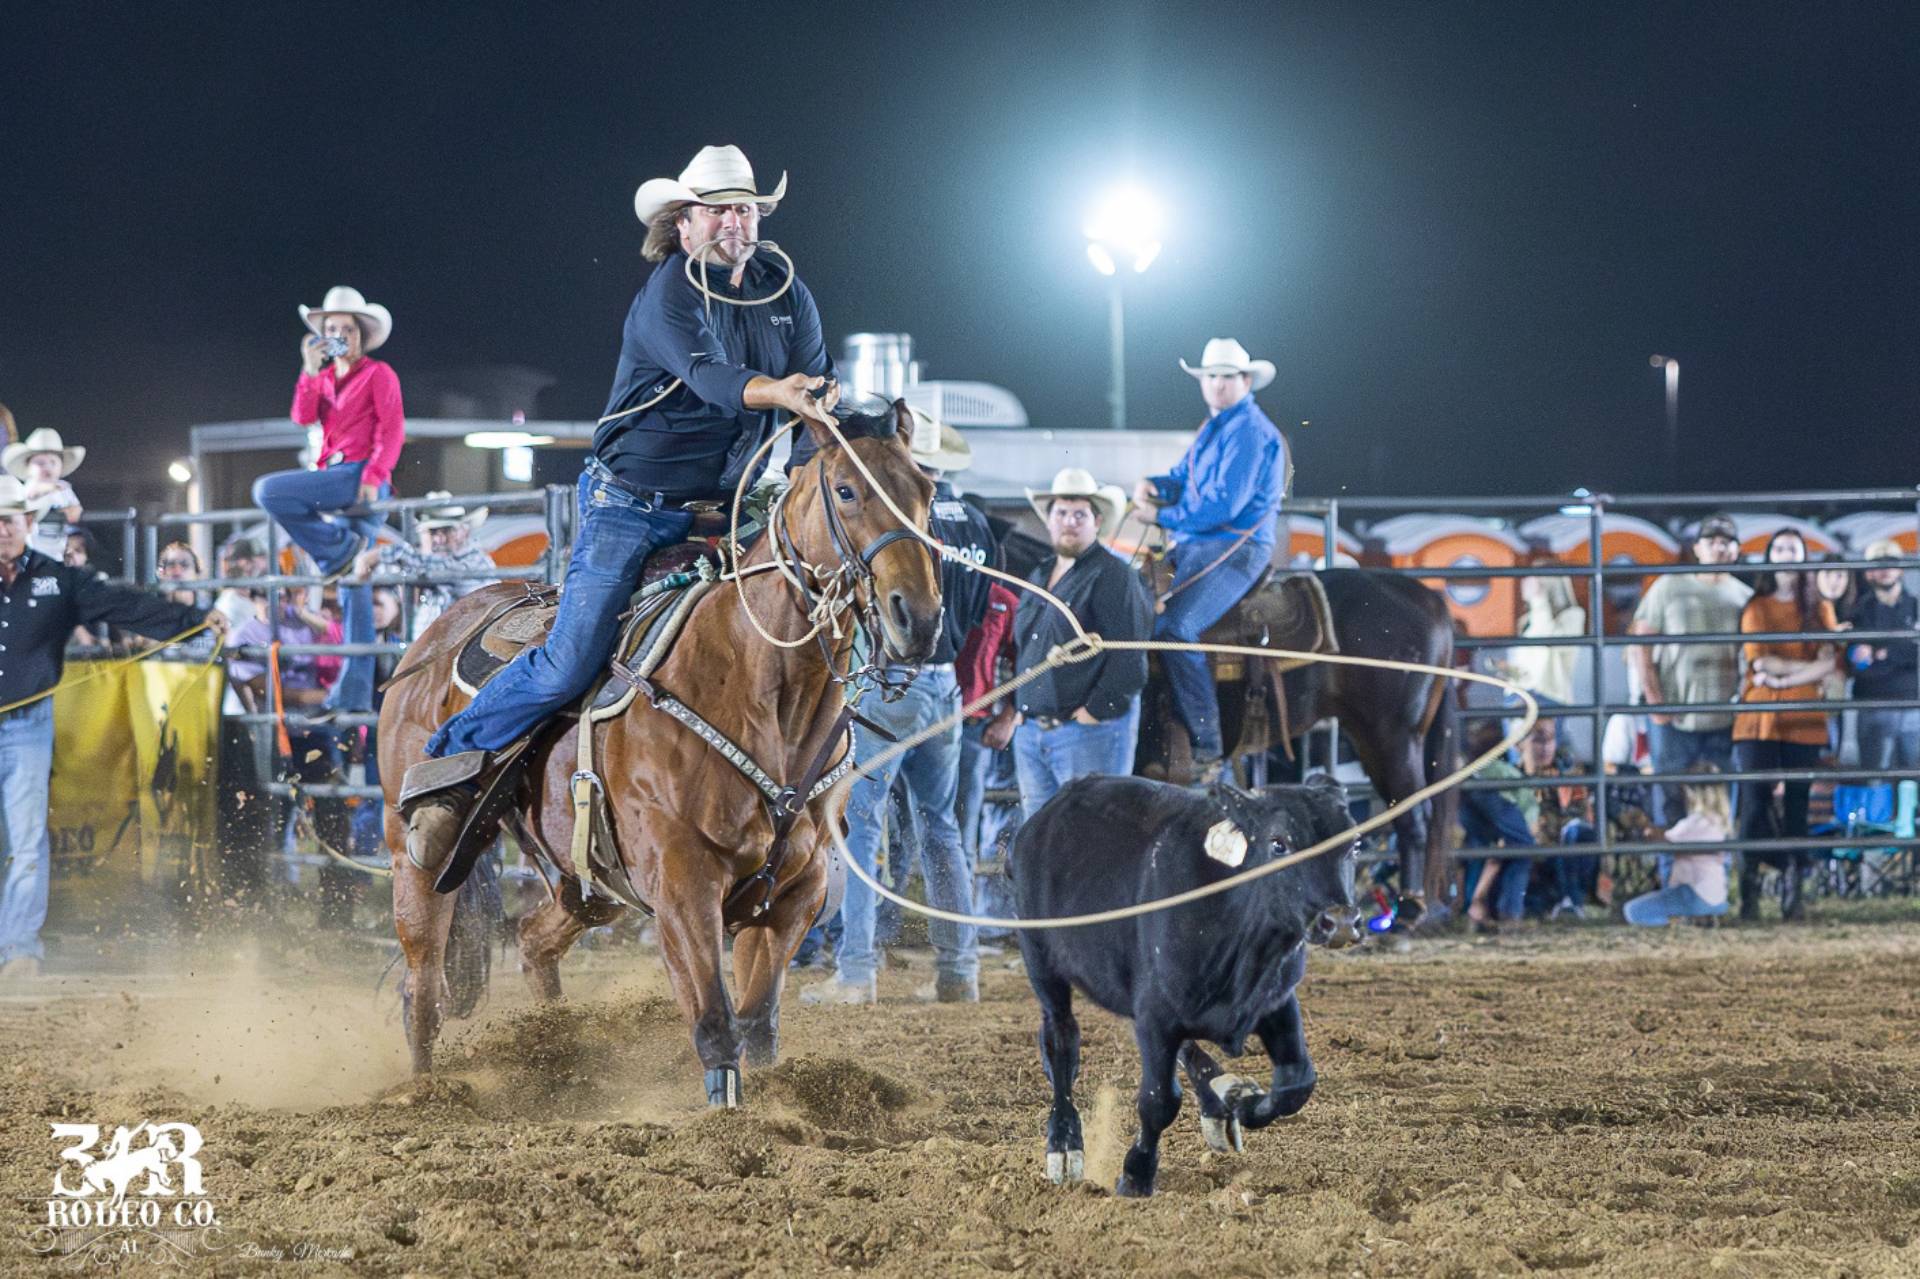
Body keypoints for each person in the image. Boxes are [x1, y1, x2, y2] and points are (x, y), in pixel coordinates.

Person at [401, 144, 840, 848]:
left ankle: (781, 804)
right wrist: (783, 393)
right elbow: (712, 378)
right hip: (633, 503)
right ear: (685, 223)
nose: (737, 220)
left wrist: (814, 439)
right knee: (572, 657)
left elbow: (816, 387)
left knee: (807, 623)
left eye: (747, 208)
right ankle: (447, 765)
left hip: (734, 506)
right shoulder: (669, 292)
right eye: (720, 209)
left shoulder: (787, 293)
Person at [801, 413, 993, 1006]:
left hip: (891, 681)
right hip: (943, 688)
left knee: (863, 826)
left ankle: (857, 970)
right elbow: (982, 608)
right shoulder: (981, 524)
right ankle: (959, 970)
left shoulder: (900, 518)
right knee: (941, 828)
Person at [0, 477, 228, 977]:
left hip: (25, 724)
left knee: (25, 834)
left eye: (9, 520)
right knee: (21, 836)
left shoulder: (59, 579)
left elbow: (125, 605)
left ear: (28, 524)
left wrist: (192, 617)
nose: (2, 531)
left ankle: (17, 947)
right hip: (22, 724)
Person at [1130, 338, 1286, 780]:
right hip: (1199, 543)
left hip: (1237, 547)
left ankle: (1206, 744)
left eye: (1225, 377)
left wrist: (1159, 512)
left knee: (1177, 628)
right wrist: (1155, 484)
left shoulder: (1251, 432)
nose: (1216, 384)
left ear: (1245, 381)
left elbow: (1224, 507)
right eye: (1211, 376)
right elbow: (1183, 478)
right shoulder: (1216, 426)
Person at [255, 285, 405, 717]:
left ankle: (339, 552)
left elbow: (392, 430)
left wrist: (373, 476)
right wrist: (307, 369)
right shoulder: (320, 377)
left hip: (358, 476)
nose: (339, 334)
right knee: (355, 591)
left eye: (346, 328)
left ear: (360, 335)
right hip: (336, 476)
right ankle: (352, 696)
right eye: (331, 328)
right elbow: (301, 417)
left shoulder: (379, 374)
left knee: (269, 490)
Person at [1010, 469, 1154, 818]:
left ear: (1097, 522)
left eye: (1080, 515)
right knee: (1040, 835)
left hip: (1085, 732)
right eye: (1061, 513)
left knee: (1092, 834)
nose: (1069, 522)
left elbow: (1129, 658)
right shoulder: (1040, 574)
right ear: (1049, 520)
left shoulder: (1114, 575)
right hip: (1034, 731)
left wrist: (1094, 711)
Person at [227, 592, 354, 928]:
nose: (275, 601)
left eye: (286, 594)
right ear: (253, 597)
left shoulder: (303, 626)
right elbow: (255, 685)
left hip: (314, 735)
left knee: (334, 815)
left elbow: (338, 635)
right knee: (269, 820)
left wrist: (305, 612)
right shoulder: (244, 635)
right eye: (267, 594)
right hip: (273, 737)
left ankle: (337, 913)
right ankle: (263, 913)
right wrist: (318, 697)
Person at [1732, 527, 1839, 921]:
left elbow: (1830, 662)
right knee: (1755, 804)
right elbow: (1761, 662)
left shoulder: (1820, 608)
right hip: (1759, 717)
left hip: (1803, 717)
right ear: (1770, 556)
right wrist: (1805, 672)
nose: (1785, 552)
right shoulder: (1756, 607)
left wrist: (1783, 678)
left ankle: (1792, 897)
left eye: (1793, 547)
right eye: (1779, 547)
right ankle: (1751, 894)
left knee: (1798, 801)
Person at [1627, 513, 1751, 825]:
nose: (1719, 549)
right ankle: (1671, 872)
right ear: (1697, 548)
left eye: (1727, 543)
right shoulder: (1669, 586)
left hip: (1723, 716)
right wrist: (1655, 701)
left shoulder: (1744, 597)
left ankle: (1720, 870)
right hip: (1673, 715)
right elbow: (1640, 642)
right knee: (1670, 803)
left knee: (1721, 805)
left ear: (1736, 551)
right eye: (1712, 542)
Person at [355, 492, 497, 638]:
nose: (439, 539)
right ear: (422, 536)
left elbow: (441, 569)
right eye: (432, 532)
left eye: (447, 530)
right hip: (433, 652)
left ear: (463, 533)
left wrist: (375, 556)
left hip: (461, 650)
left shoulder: (475, 561)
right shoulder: (422, 564)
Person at [1624, 768, 1733, 926]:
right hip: (1718, 898)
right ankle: (1703, 916)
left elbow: (1663, 840)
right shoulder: (1719, 822)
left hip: (1694, 894)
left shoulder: (1694, 822)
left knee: (1632, 911)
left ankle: (1680, 920)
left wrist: (1643, 825)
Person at [1848, 539, 1919, 772]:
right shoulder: (1856, 612)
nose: (1886, 569)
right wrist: (1903, 650)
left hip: (1913, 705)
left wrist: (1881, 653)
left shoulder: (1916, 606)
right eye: (1879, 563)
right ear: (1869, 572)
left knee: (1913, 777)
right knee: (1874, 778)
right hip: (1872, 705)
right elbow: (1857, 663)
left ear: (1900, 567)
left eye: (1891, 562)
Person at [2, 427, 85, 561]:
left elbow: (76, 510)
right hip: (29, 553)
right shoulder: (24, 488)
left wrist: (73, 511)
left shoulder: (65, 490)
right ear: (28, 467)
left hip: (57, 553)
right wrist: (48, 489)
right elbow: (29, 498)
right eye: (40, 463)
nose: (47, 467)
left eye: (53, 462)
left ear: (61, 466)